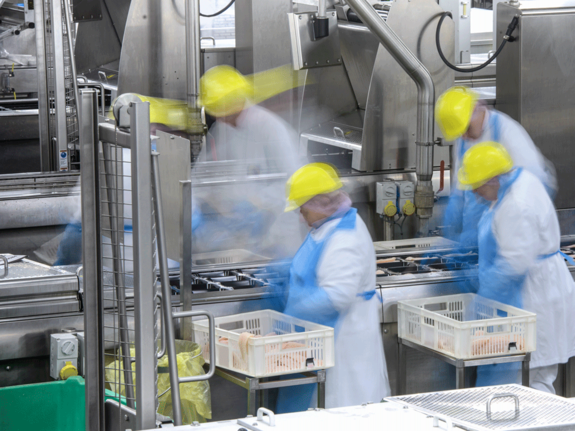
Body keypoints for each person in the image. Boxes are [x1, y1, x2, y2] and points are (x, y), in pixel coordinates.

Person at [457, 142, 575, 393]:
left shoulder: (516, 204)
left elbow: (514, 264)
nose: (475, 193)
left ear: (493, 179)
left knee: (533, 380)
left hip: (535, 296)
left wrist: (483, 298)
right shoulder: (516, 182)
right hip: (533, 292)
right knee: (522, 378)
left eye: (477, 186)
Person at [275, 163, 390, 412]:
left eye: (302, 209)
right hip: (321, 341)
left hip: (345, 341)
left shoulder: (345, 236)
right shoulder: (327, 225)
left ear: (319, 204)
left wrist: (293, 311)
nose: (300, 215)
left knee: (342, 410)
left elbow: (337, 296)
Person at [192, 65, 305, 258]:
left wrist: (258, 202)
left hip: (278, 233)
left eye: (220, 110)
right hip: (241, 237)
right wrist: (194, 209)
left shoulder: (271, 128)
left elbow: (297, 182)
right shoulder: (222, 129)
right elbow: (203, 175)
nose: (219, 117)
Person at [436, 86, 557, 248]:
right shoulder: (464, 139)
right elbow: (461, 185)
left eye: (466, 129)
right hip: (475, 235)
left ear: (477, 109)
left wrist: (498, 224)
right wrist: (453, 215)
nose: (464, 137)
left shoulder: (507, 132)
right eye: (460, 133)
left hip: (507, 234)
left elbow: (535, 186)